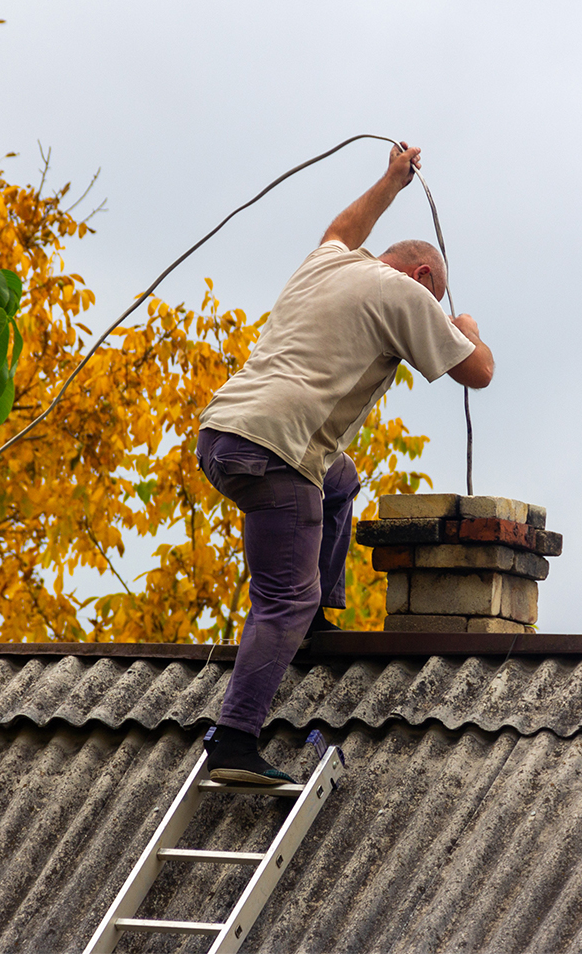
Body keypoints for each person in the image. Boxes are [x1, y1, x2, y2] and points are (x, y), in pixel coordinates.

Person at [196, 142, 494, 784]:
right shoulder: (407, 295)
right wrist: (466, 324)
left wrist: (390, 182)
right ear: (422, 281)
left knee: (342, 477)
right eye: (435, 295)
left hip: (224, 433)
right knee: (283, 597)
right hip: (279, 452)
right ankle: (234, 742)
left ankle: (313, 620)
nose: (433, 307)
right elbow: (479, 371)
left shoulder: (330, 261)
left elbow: (342, 227)